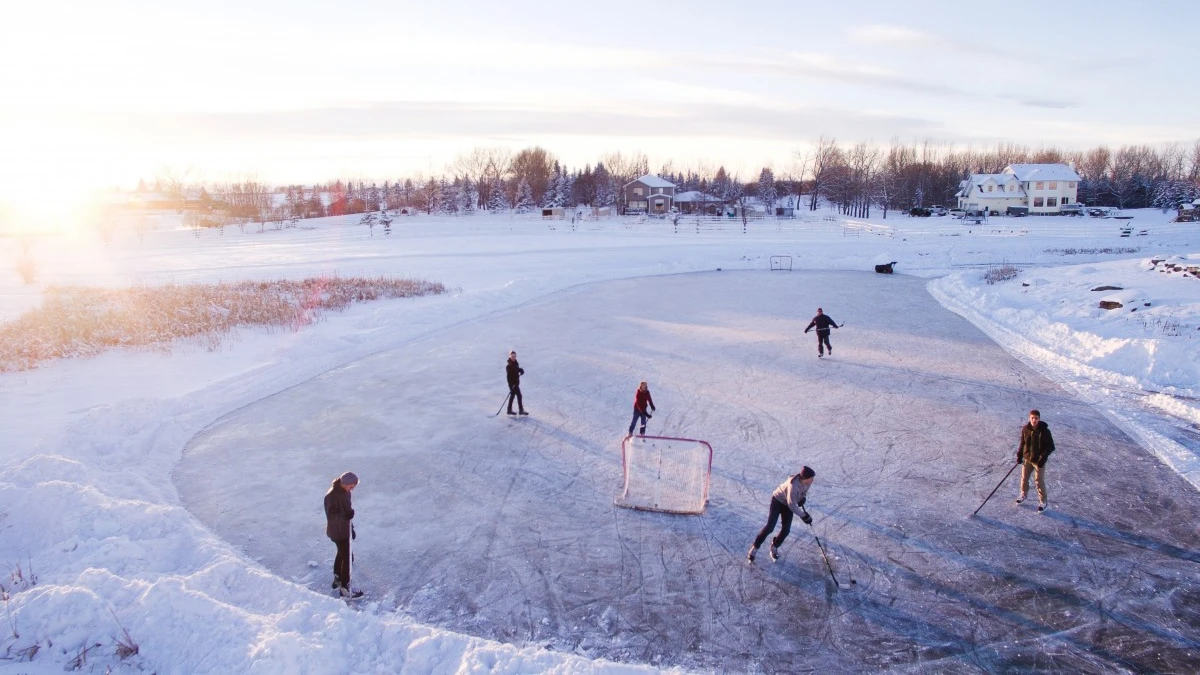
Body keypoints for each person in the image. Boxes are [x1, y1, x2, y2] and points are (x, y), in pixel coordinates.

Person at [748, 466, 815, 562]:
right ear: (805, 478)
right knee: (770, 527)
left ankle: (775, 545)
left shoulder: (808, 483)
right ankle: (755, 547)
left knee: (786, 530)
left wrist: (802, 498)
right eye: (811, 478)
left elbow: (803, 492)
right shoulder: (793, 486)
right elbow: (792, 505)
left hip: (787, 503)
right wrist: (804, 516)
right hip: (778, 501)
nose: (813, 480)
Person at [324, 471, 363, 598]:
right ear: (345, 484)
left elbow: (346, 511)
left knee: (341, 554)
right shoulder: (332, 496)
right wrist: (345, 516)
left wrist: (351, 528)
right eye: (352, 485)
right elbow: (332, 516)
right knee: (347, 558)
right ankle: (345, 588)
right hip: (338, 531)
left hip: (344, 530)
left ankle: (338, 577)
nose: (353, 488)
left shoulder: (346, 493)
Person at [1016, 409, 1055, 512]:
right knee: (1024, 478)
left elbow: (1051, 446)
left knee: (1038, 481)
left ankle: (1043, 501)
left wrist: (1043, 458)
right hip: (1027, 459)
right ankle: (1023, 494)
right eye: (1032, 418)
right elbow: (1022, 443)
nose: (1034, 420)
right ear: (1029, 418)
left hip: (1039, 461)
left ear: (1039, 419)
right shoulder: (1025, 429)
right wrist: (1020, 455)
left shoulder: (1045, 431)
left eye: (1036, 418)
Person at [506, 350, 527, 415]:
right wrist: (512, 385)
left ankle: (509, 410)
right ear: (510, 356)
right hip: (513, 384)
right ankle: (520, 410)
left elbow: (516, 370)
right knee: (519, 396)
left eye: (514, 356)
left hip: (516, 383)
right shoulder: (509, 366)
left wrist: (521, 370)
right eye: (512, 356)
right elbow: (509, 377)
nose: (513, 357)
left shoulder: (515, 363)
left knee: (512, 396)